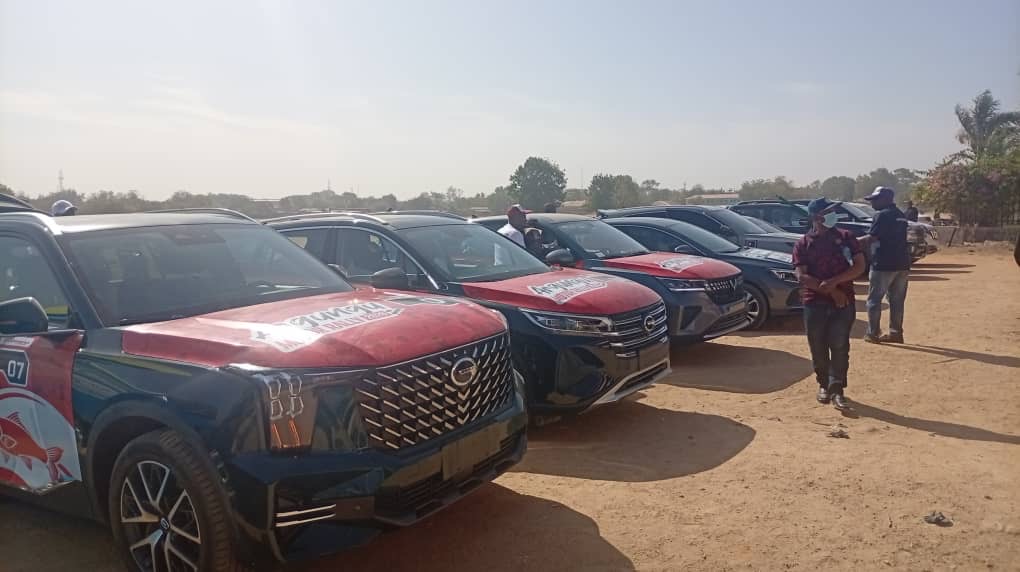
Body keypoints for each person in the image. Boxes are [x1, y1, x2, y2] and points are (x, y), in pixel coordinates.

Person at [793, 198, 866, 411]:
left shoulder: (846, 238)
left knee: (840, 345)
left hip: (844, 303)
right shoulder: (803, 244)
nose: (834, 215)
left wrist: (835, 282)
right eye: (828, 212)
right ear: (816, 217)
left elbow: (859, 266)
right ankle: (823, 384)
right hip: (814, 303)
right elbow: (801, 276)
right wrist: (832, 291)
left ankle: (837, 389)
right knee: (817, 345)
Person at [858, 186, 911, 344]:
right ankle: (896, 333)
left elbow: (872, 238)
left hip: (883, 264)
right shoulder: (900, 215)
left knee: (874, 300)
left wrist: (851, 242)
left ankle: (872, 333)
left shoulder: (882, 215)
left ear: (886, 199)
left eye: (875, 200)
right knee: (897, 301)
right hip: (902, 263)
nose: (872, 203)